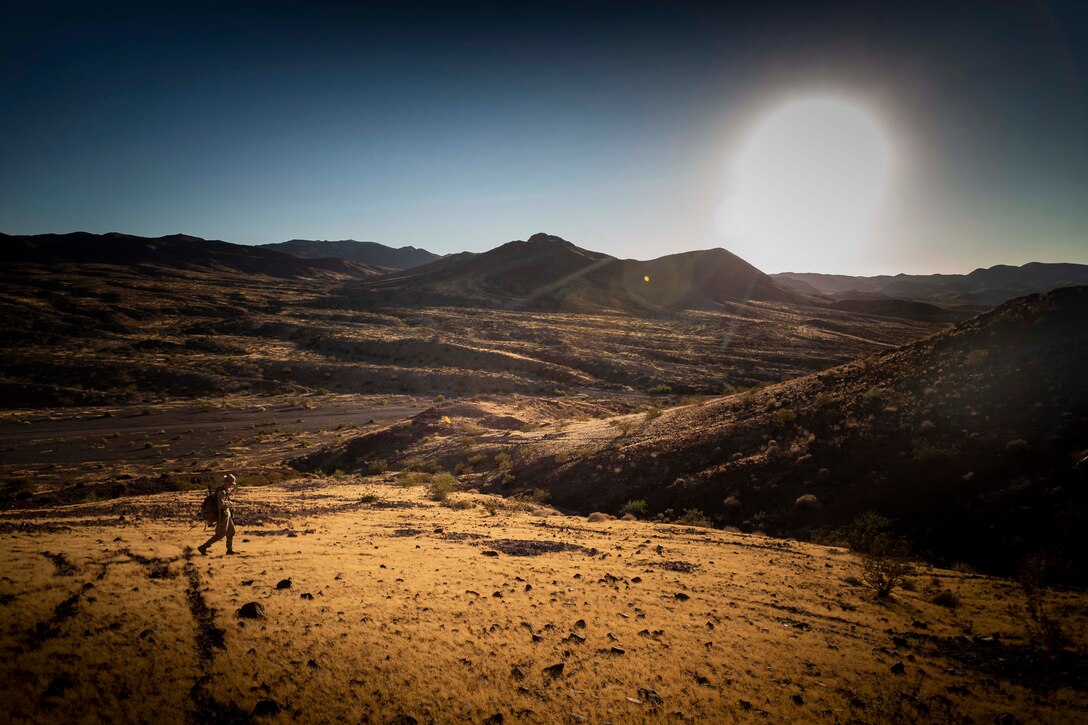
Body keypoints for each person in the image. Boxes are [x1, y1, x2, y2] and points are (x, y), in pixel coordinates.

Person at [198, 473, 237, 556]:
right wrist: (229, 503)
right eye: (231, 483)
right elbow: (221, 505)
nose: (231, 485)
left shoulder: (224, 490)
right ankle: (204, 547)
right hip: (223, 515)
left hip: (227, 515)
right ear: (227, 482)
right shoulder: (222, 492)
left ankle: (229, 550)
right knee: (220, 534)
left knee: (231, 531)